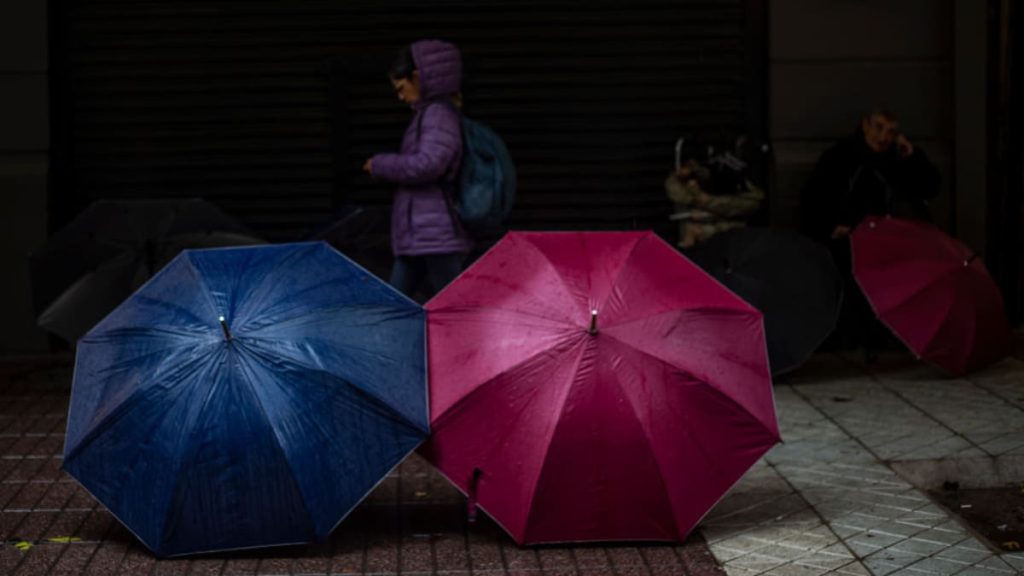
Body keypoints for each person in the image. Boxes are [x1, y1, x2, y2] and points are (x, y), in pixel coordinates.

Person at [800, 110, 941, 354]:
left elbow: (929, 187)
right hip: (848, 240)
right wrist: (832, 227)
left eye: (891, 131)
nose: (884, 136)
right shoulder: (839, 158)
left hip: (887, 240)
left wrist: (913, 157)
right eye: (878, 128)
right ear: (865, 126)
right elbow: (814, 200)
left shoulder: (895, 161)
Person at [363, 40, 471, 300]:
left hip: (434, 233)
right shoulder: (430, 115)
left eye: (402, 88)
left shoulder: (437, 115)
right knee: (401, 305)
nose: (400, 97)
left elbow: (429, 164)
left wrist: (380, 164)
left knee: (449, 308)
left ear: (418, 78)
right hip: (423, 233)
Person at [665, 145, 764, 248]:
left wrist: (707, 204)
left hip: (723, 240)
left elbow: (740, 216)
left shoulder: (744, 191)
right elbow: (676, 190)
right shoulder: (684, 180)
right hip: (696, 240)